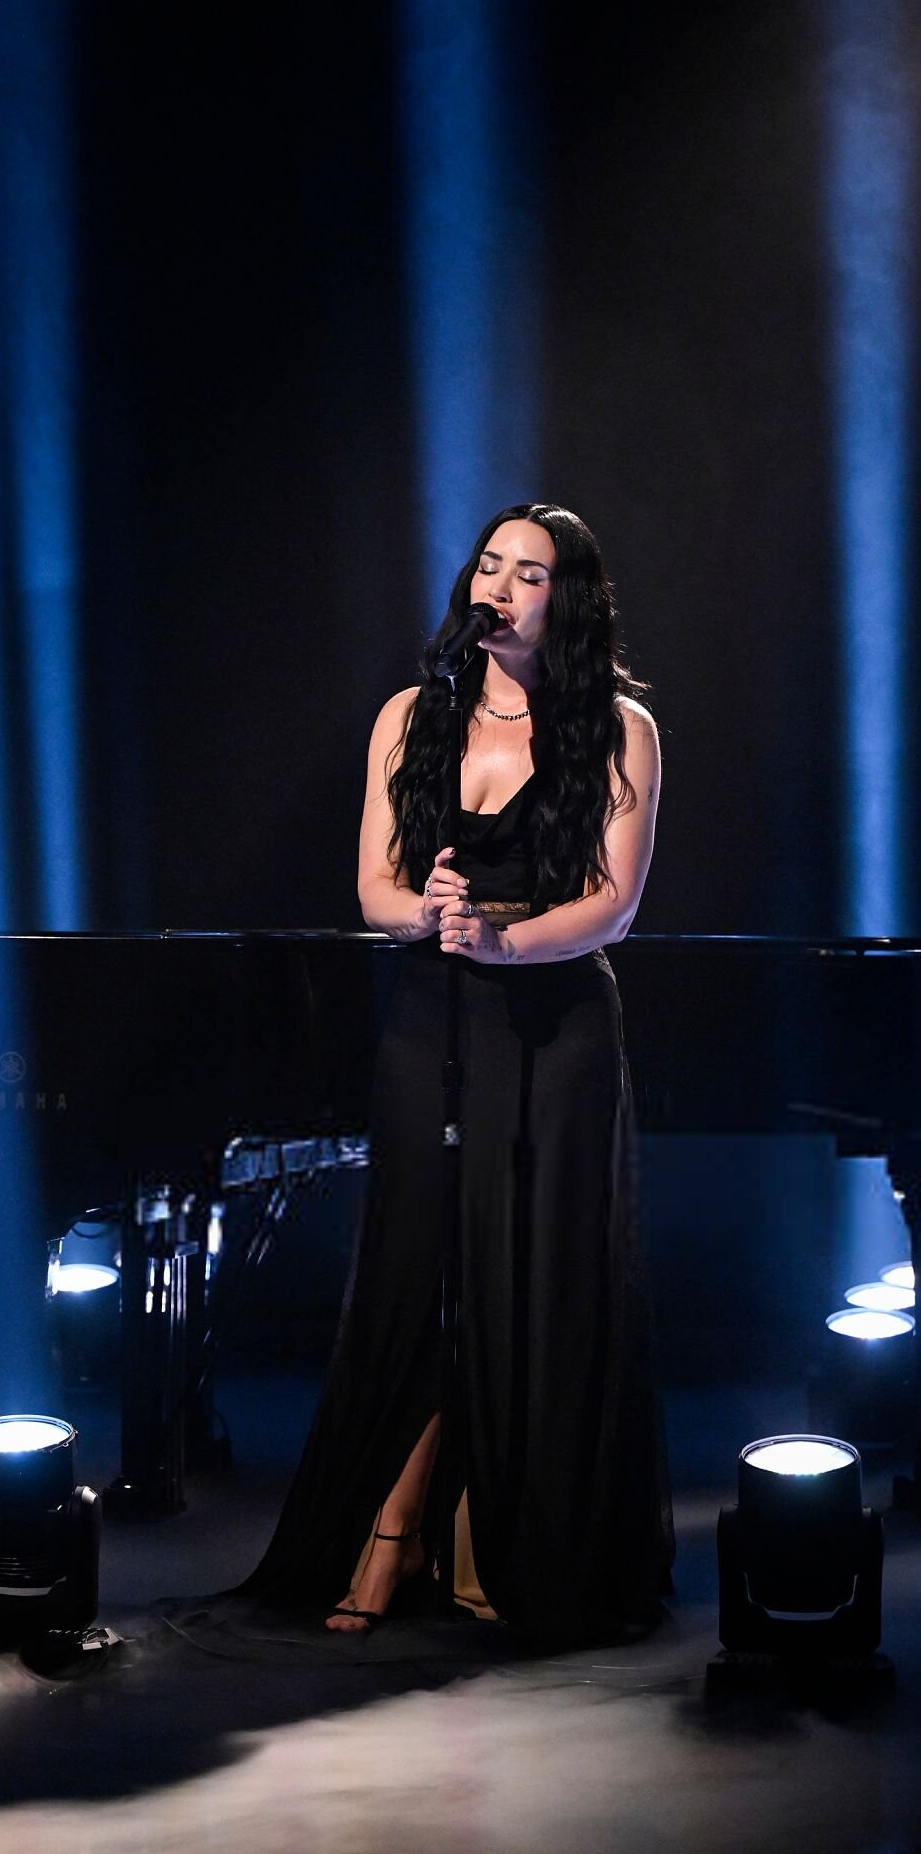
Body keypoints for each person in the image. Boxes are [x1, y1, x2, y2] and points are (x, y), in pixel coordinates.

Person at [246, 504, 673, 1646]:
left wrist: (502, 941)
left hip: (554, 1027)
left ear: (567, 600)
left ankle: (511, 1542)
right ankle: (392, 1529)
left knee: (529, 1277)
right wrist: (422, 916)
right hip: (429, 1021)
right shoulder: (411, 714)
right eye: (490, 566)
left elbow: (612, 905)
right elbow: (375, 889)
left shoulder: (619, 728)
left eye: (528, 573)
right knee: (417, 1269)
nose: (501, 587)